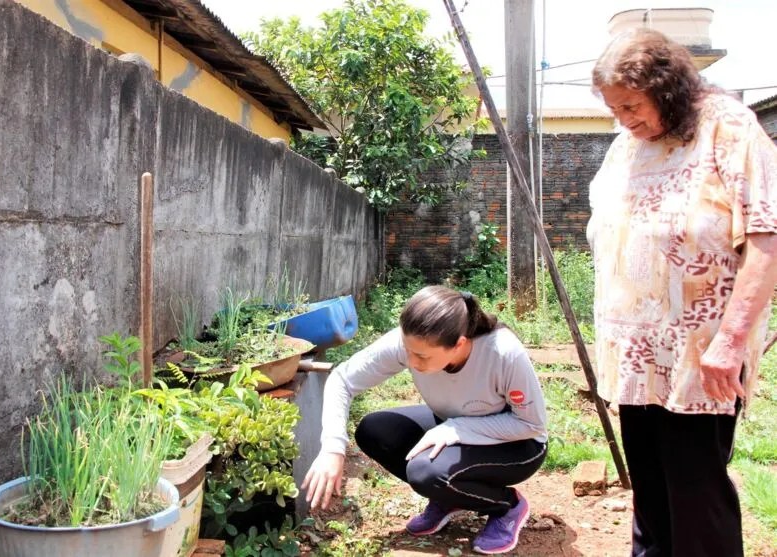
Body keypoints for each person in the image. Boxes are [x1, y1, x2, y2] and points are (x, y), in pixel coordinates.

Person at [588, 28, 777, 557]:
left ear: (666, 89)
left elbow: (767, 236)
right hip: (634, 356)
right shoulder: (630, 142)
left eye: (631, 105)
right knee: (648, 487)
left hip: (701, 355)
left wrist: (731, 341)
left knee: (695, 490)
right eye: (613, 108)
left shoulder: (730, 128)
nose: (623, 119)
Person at [301, 285, 547, 555]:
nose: (410, 360)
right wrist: (333, 447)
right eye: (408, 350)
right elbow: (342, 380)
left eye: (422, 356)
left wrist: (458, 428)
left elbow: (531, 424)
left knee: (425, 472)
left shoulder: (503, 353)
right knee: (375, 431)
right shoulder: (411, 344)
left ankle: (506, 506)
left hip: (516, 443)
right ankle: (448, 499)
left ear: (459, 344)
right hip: (451, 424)